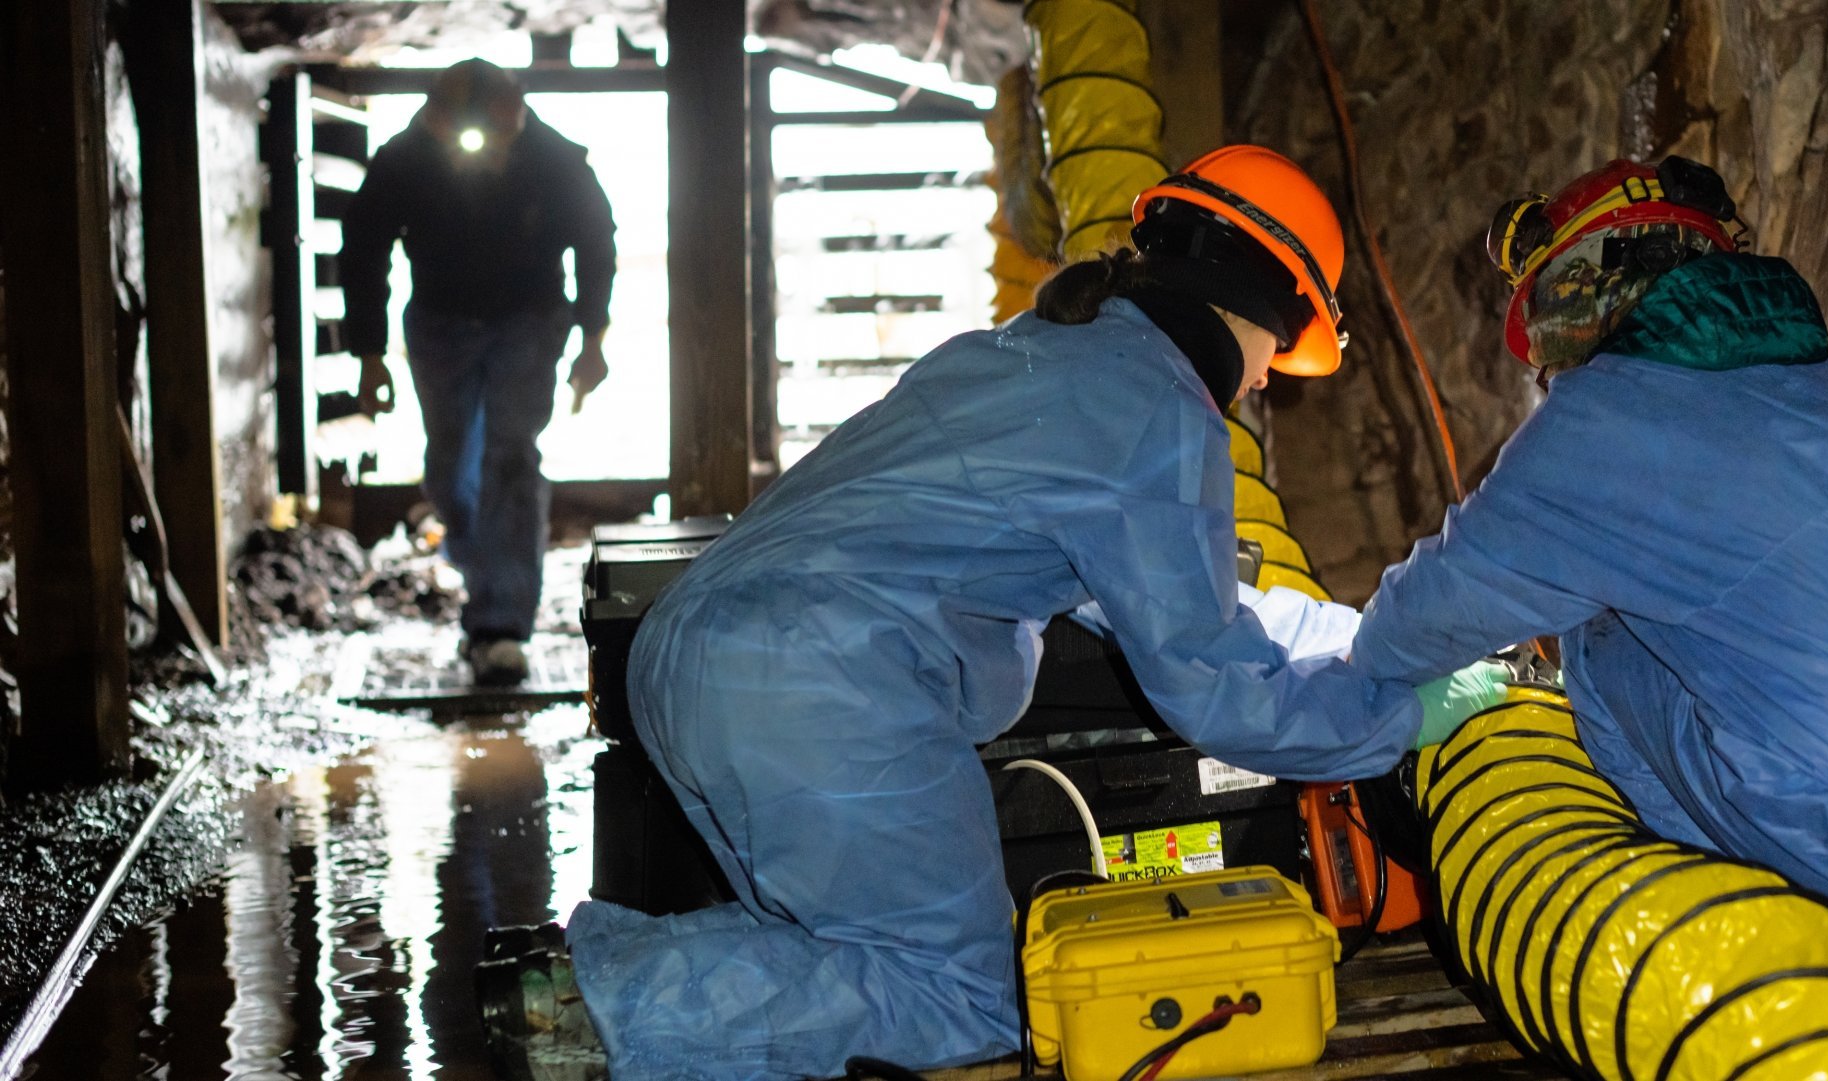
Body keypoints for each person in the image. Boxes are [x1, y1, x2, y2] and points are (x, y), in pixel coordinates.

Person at [475, 146, 1471, 1081]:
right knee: (971, 992)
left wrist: (1361, 642)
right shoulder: (1160, 413)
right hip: (827, 685)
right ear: (1267, 303)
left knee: (838, 957)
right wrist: (1399, 718)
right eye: (1276, 356)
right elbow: (1216, 689)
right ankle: (589, 1008)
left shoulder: (1019, 358)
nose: (1263, 383)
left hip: (691, 657)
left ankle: (577, 992)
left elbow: (1196, 606)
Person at [1350, 157, 1828, 973]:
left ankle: (1751, 930)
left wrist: (1360, 671)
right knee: (1803, 656)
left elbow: (1439, 603)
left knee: (1595, 634)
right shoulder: (1825, 384)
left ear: (1582, 293)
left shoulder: (1601, 418)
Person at [340, 59, 616, 686]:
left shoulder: (555, 160)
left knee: (511, 455)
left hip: (529, 321)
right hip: (440, 324)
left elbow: (597, 242)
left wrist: (593, 339)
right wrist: (370, 354)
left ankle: (499, 624)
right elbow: (363, 250)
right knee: (450, 465)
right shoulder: (406, 159)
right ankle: (480, 564)